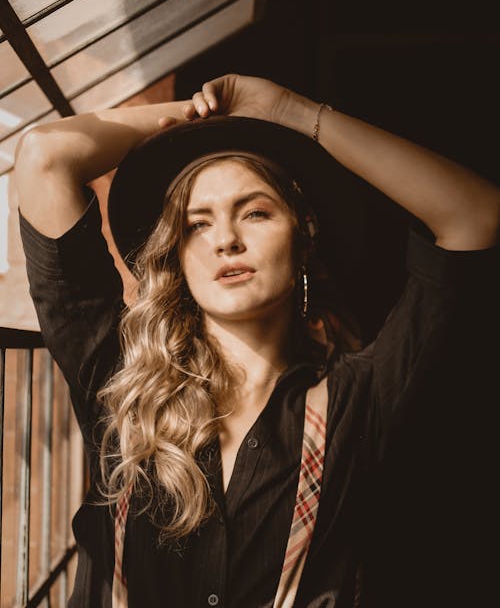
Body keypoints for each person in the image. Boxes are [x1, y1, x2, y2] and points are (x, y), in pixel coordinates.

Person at [14, 73, 500, 608]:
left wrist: (290, 110)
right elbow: (45, 156)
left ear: (304, 234)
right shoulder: (120, 381)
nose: (226, 240)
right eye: (197, 224)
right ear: (175, 253)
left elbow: (474, 216)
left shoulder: (360, 400)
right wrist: (207, 116)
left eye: (255, 213)